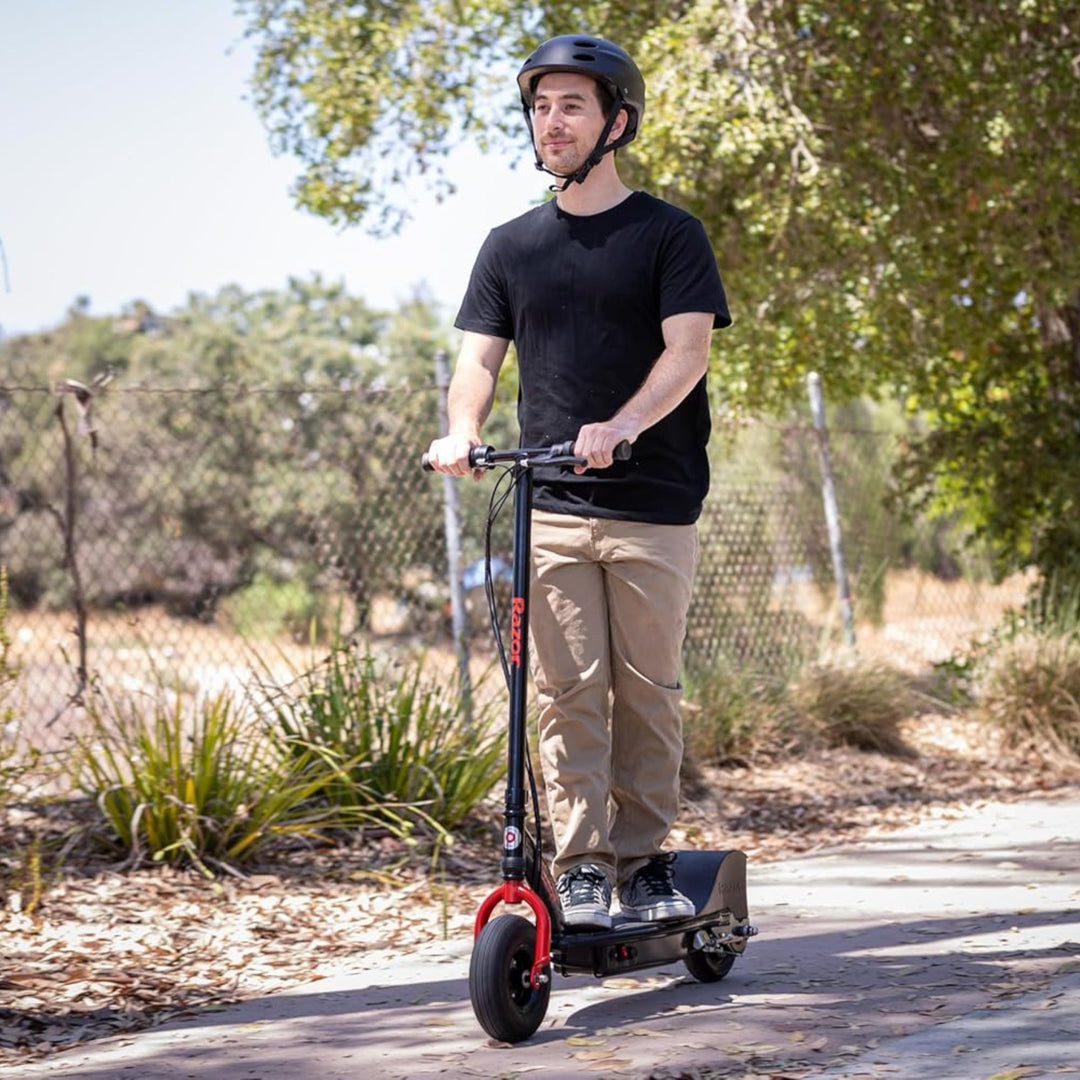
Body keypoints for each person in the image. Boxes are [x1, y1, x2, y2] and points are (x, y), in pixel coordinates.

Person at [425, 34, 731, 929]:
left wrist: (624, 425)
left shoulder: (669, 234)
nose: (550, 123)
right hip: (551, 504)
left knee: (646, 693)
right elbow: (478, 361)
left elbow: (688, 352)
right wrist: (462, 431)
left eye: (570, 107)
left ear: (616, 123)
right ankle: (585, 866)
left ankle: (644, 864)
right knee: (566, 695)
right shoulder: (510, 246)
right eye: (540, 107)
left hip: (652, 506)